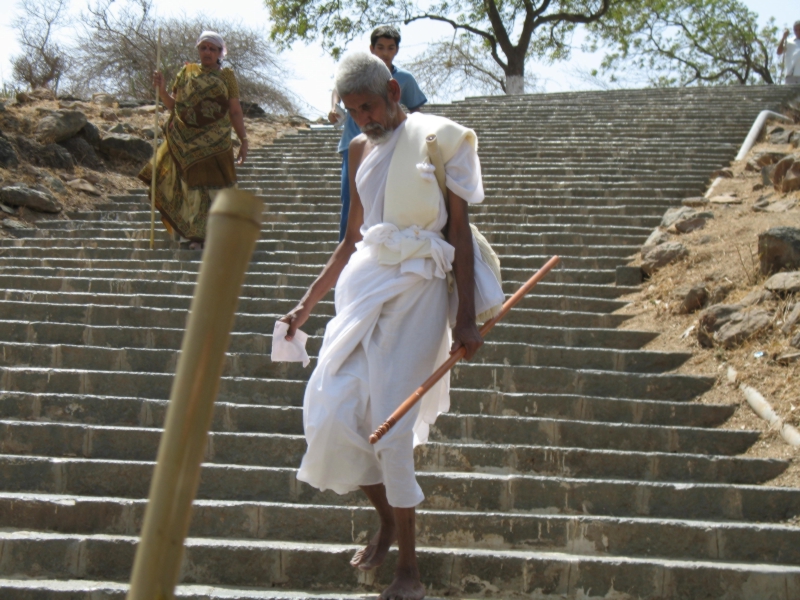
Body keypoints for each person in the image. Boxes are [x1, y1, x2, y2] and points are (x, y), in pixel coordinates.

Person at [279, 53, 504, 600]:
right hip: (364, 287)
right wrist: (305, 306)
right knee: (331, 410)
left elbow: (459, 229)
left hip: (420, 292)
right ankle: (385, 517)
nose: (364, 119)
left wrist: (466, 319)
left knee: (393, 428)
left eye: (370, 106)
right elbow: (352, 236)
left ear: (393, 93)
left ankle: (409, 569)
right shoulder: (357, 149)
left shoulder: (436, 138)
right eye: (353, 111)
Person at [138, 31, 248, 250]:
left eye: (212, 48)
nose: (207, 52)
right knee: (193, 190)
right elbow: (173, 105)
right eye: (203, 47)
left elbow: (235, 111)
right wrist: (160, 89)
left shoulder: (227, 76)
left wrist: (244, 139)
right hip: (187, 143)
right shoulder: (186, 72)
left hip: (218, 144)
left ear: (219, 53)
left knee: (219, 188)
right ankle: (196, 237)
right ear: (198, 49)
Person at [328, 26, 428, 241]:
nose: (385, 52)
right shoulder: (354, 73)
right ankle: (347, 250)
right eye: (380, 47)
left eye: (390, 48)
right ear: (371, 49)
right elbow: (338, 89)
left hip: (389, 144)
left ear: (396, 51)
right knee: (352, 200)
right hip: (354, 147)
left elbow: (416, 110)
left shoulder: (404, 78)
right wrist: (334, 107)